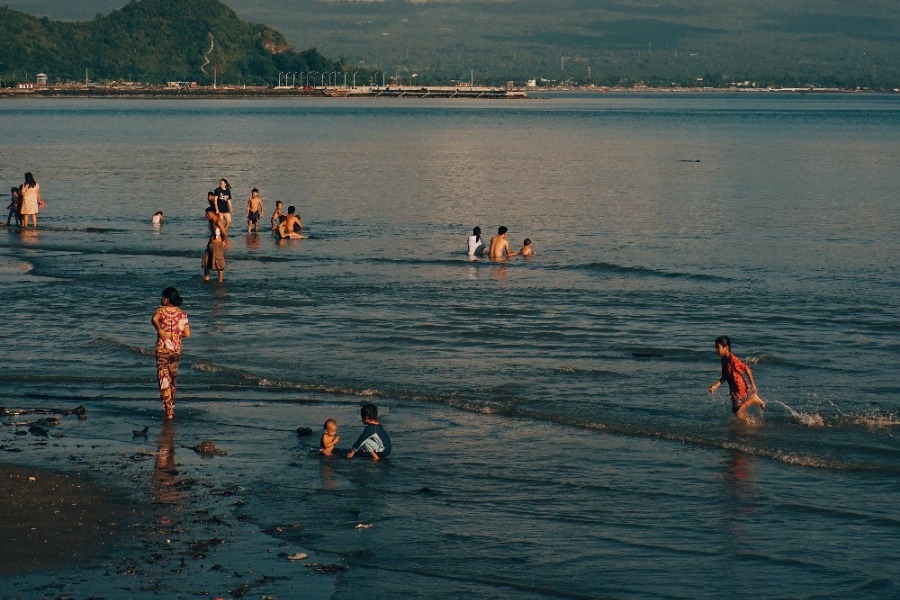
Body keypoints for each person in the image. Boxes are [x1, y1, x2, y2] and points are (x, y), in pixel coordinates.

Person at [152, 287, 191, 420]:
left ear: (167, 299)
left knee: (163, 377)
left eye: (162, 297)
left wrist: (161, 331)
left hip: (162, 349)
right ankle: (171, 405)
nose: (161, 299)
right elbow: (187, 334)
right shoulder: (182, 314)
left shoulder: (161, 310)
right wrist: (175, 335)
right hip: (176, 350)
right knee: (172, 378)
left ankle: (168, 409)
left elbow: (154, 319)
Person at [708, 335, 765, 423]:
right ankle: (749, 424)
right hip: (734, 391)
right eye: (715, 347)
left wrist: (753, 384)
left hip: (740, 389)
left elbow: (746, 368)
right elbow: (724, 376)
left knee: (739, 413)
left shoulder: (733, 359)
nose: (716, 349)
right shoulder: (724, 360)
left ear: (726, 348)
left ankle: (753, 401)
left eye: (717, 347)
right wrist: (715, 386)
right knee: (736, 413)